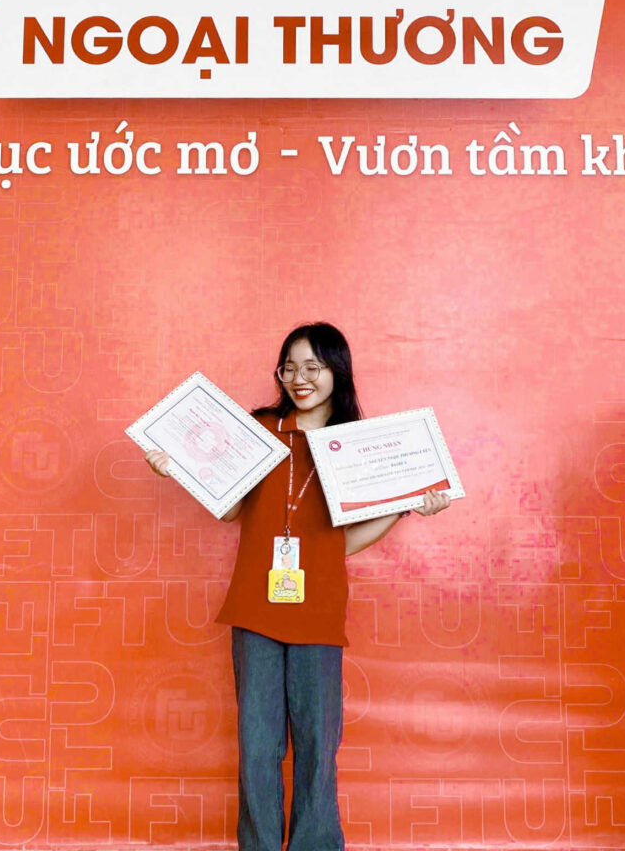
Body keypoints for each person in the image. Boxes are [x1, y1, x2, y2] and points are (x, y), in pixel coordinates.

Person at [145, 322, 451, 851]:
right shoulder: (258, 428)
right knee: (257, 745)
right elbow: (232, 510)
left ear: (337, 371)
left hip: (319, 609)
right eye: (290, 367)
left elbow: (344, 543)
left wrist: (405, 505)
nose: (300, 378)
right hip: (254, 605)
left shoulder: (355, 444)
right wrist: (180, 471)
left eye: (313, 367)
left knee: (317, 743)